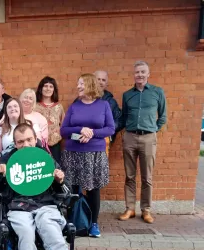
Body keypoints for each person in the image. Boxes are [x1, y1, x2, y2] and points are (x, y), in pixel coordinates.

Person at [0, 123, 108, 250]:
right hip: (19, 206)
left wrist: (60, 180)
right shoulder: (7, 159)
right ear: (15, 144)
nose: (25, 144)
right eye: (20, 141)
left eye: (29, 140)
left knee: (49, 225)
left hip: (45, 205)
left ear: (35, 139)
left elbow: (64, 189)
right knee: (25, 229)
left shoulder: (45, 158)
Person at [60, 74, 115, 237]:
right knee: (73, 188)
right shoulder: (74, 106)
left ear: (90, 85)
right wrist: (79, 129)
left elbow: (110, 129)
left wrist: (92, 133)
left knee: (92, 190)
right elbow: (64, 130)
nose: (78, 86)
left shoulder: (103, 105)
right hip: (73, 153)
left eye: (81, 83)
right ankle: (73, 222)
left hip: (94, 154)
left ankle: (93, 224)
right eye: (78, 83)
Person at [117, 61, 167, 224]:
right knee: (129, 175)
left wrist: (152, 130)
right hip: (130, 136)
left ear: (148, 74)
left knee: (147, 177)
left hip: (148, 138)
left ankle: (146, 210)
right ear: (134, 74)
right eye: (137, 72)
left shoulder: (157, 92)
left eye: (143, 72)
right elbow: (124, 117)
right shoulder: (127, 95)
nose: (140, 74)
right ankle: (130, 208)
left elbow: (163, 116)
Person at [0, 98, 39, 165]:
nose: (12, 109)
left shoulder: (32, 125)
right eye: (9, 107)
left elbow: (39, 146)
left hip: (31, 163)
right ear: (6, 111)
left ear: (20, 109)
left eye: (15, 106)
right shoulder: (0, 128)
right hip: (9, 164)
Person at [34, 76, 65, 163]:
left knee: (55, 170)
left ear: (54, 90)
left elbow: (63, 124)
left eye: (51, 86)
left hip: (55, 144)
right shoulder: (35, 106)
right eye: (45, 86)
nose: (48, 89)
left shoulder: (59, 107)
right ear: (41, 88)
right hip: (39, 144)